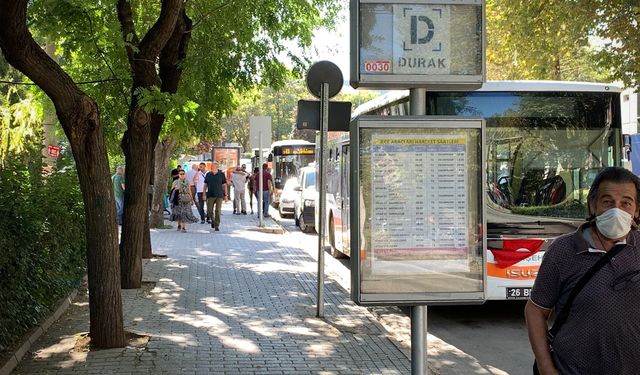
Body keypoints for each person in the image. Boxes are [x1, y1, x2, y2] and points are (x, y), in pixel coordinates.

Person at [525, 167, 640, 375]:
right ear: (592, 205)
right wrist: (545, 368)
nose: (617, 211)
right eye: (607, 202)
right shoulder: (563, 251)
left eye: (626, 203)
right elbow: (535, 310)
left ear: (637, 210)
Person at [203, 162, 228, 231]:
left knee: (218, 210)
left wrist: (226, 195)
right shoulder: (208, 174)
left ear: (216, 166)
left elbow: (224, 185)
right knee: (209, 210)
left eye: (213, 166)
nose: (211, 167)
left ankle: (217, 225)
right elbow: (205, 185)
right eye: (211, 166)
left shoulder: (221, 174)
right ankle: (213, 221)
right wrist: (204, 194)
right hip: (210, 194)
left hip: (219, 195)